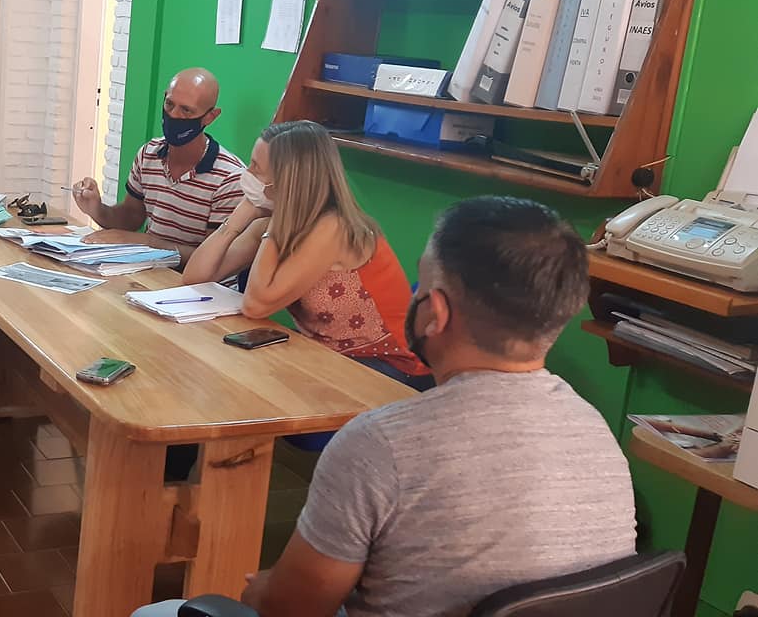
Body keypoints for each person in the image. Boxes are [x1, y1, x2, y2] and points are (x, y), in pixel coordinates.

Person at [136, 196, 638, 617]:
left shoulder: (380, 445)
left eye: (420, 287)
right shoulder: (596, 434)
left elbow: (289, 608)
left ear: (434, 314)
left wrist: (262, 589)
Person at [183, 121, 431, 389]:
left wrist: (278, 220)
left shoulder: (333, 227)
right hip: (331, 355)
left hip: (388, 367)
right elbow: (195, 278)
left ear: (287, 184)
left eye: (256, 168)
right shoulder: (277, 225)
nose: (248, 173)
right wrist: (238, 218)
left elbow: (255, 306)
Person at [71, 67, 245, 265]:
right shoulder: (149, 153)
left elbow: (212, 261)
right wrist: (96, 209)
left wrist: (148, 243)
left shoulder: (230, 178)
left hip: (192, 282)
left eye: (186, 110)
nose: (174, 115)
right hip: (148, 271)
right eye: (169, 104)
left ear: (210, 117)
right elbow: (131, 217)